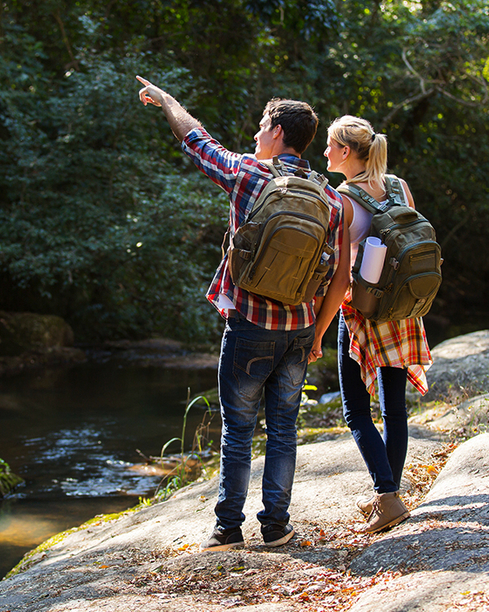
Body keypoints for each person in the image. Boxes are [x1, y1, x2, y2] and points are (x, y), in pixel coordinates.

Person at [136, 76, 350, 551]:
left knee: (238, 431)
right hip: (298, 329)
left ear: (276, 131)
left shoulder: (249, 176)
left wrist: (168, 100)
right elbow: (337, 276)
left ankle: (227, 529)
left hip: (250, 325)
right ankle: (275, 526)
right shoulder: (331, 199)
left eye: (260, 127)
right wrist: (318, 332)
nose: (255, 137)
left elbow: (196, 140)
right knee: (284, 430)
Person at [310, 114, 433, 534]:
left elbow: (342, 275)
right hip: (403, 310)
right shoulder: (398, 185)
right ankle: (391, 494)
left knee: (355, 411)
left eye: (329, 145)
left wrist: (319, 327)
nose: (324, 152)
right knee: (394, 409)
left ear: (346, 151)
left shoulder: (343, 199)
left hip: (362, 314)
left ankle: (386, 496)